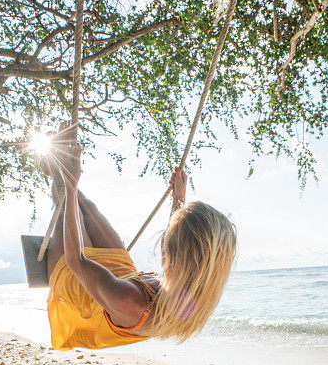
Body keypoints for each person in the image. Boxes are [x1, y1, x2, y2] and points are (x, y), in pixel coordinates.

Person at [43, 126, 238, 350]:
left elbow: (76, 260)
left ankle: (54, 165)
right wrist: (179, 198)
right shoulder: (194, 287)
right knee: (88, 207)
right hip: (118, 274)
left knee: (68, 201)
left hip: (80, 284)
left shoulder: (129, 302)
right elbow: (183, 249)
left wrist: (71, 184)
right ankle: (56, 168)